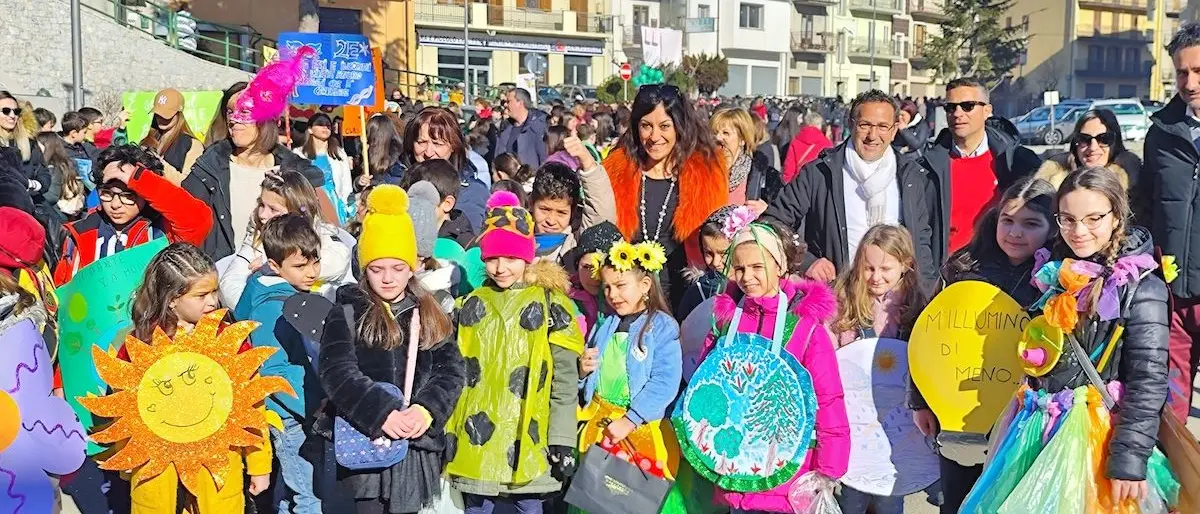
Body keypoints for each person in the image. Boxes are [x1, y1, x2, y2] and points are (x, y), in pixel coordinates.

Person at [965, 167, 1171, 509]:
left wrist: (1128, 462)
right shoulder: (1053, 271)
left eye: (1093, 219)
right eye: (1068, 219)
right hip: (1037, 430)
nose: (1079, 231)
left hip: (1099, 439)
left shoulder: (1141, 287)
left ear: (1117, 217)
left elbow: (1149, 380)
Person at [908, 177, 1057, 513]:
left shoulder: (1059, 279)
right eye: (1008, 221)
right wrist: (921, 400)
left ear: (1053, 227)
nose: (1015, 233)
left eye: (1031, 224)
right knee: (959, 502)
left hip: (1026, 417)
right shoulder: (964, 268)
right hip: (961, 414)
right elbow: (928, 336)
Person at [318, 184, 466, 513]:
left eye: (397, 268)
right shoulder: (346, 309)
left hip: (414, 446)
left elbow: (452, 370)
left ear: (412, 265)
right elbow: (337, 372)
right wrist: (381, 411)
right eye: (376, 268)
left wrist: (426, 409)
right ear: (364, 267)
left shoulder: (428, 310)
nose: (387, 278)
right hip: (366, 440)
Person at [690, 218, 850, 513]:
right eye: (739, 268)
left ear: (779, 266)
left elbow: (829, 399)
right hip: (735, 471)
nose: (747, 277)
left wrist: (830, 466)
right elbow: (706, 386)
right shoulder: (726, 324)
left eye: (757, 267)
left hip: (787, 475)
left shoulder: (804, 329)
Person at [445, 191, 584, 514]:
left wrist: (562, 437)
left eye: (510, 258)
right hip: (476, 436)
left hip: (529, 435)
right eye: (492, 258)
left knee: (528, 505)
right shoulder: (470, 306)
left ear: (527, 257)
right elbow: (454, 371)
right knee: (477, 506)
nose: (500, 267)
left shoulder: (552, 305)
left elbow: (564, 380)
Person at [122, 242, 271, 512]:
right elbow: (125, 407)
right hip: (158, 471)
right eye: (201, 295)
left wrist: (259, 465)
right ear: (172, 299)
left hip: (215, 469)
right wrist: (126, 456)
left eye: (214, 291)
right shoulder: (141, 343)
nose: (213, 301)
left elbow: (252, 406)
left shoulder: (229, 340)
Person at [763, 90, 940, 287]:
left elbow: (921, 242)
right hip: (840, 297)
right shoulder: (820, 172)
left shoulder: (911, 175)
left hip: (896, 301)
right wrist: (806, 261)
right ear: (851, 123)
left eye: (882, 126)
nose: (873, 136)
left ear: (894, 129)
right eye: (865, 125)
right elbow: (773, 222)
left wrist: (926, 292)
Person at [576, 239, 683, 507]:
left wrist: (631, 419)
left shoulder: (662, 328)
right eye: (608, 287)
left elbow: (664, 382)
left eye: (621, 286)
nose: (613, 294)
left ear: (645, 286)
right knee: (597, 501)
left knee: (630, 500)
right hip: (601, 427)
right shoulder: (606, 324)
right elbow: (590, 373)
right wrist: (582, 370)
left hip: (638, 428)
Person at [602, 84, 728, 310]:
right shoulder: (618, 170)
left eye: (664, 126)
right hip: (629, 298)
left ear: (680, 127)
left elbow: (717, 237)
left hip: (688, 296)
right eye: (646, 126)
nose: (654, 136)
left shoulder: (706, 173)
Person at [831, 225, 929, 513]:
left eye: (885, 268)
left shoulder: (917, 308)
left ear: (905, 265)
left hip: (897, 424)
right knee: (852, 496)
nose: (876, 277)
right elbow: (831, 357)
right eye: (868, 268)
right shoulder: (845, 305)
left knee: (890, 492)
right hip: (855, 422)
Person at [184, 79, 336, 262]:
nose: (234, 119)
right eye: (230, 112)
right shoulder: (208, 170)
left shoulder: (296, 172)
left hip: (283, 284)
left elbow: (332, 232)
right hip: (223, 280)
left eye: (245, 111)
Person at [232, 214, 323, 513]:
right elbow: (275, 371)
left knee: (291, 487)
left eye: (315, 262)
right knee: (309, 496)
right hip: (288, 413)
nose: (311, 272)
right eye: (300, 266)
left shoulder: (269, 291)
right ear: (274, 266)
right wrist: (311, 407)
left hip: (288, 408)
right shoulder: (276, 310)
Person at [915, 78, 1041, 263]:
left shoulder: (1017, 163)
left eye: (967, 106)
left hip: (999, 273)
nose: (958, 113)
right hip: (945, 274)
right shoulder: (926, 168)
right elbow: (920, 230)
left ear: (987, 111)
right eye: (950, 107)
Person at [1142, 21, 1200, 421]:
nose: (1189, 81)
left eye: (1199, 71)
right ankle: (1178, 482)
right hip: (1174, 292)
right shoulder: (1161, 133)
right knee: (1171, 409)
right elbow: (1147, 206)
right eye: (1182, 72)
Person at [53, 144, 213, 285]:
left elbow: (199, 220)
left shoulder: (160, 232)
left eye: (128, 196)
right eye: (107, 193)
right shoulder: (80, 232)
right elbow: (64, 287)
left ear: (144, 194)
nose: (115, 204)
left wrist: (139, 179)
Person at [217, 169, 352, 308]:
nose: (263, 214)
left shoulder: (321, 234)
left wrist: (277, 266)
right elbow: (232, 280)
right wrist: (253, 310)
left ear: (296, 212)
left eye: (273, 209)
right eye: (261, 205)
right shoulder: (259, 231)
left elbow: (338, 263)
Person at [401, 107, 489, 231]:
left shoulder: (472, 192)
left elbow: (467, 241)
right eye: (421, 142)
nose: (429, 152)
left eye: (438, 144)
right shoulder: (397, 183)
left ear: (454, 146)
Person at [531, 142, 617, 265]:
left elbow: (601, 214)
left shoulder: (575, 245)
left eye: (561, 213)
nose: (551, 220)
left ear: (573, 210)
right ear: (531, 204)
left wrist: (588, 164)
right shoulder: (516, 236)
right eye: (544, 209)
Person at [1036, 109, 1141, 195]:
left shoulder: (1133, 185)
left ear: (1116, 142)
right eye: (1084, 139)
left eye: (1104, 139)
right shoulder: (1051, 180)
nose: (1093, 147)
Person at [398, 159, 476, 249]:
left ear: (447, 204)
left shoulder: (465, 246)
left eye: (420, 202)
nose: (412, 208)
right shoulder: (399, 235)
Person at [710, 107, 774, 210]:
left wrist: (767, 211)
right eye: (714, 132)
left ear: (742, 140)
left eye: (725, 133)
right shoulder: (700, 171)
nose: (718, 138)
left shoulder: (762, 175)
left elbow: (782, 218)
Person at [297, 113, 353, 224]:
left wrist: (346, 204)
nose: (325, 127)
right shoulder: (299, 154)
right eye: (320, 124)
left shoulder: (339, 153)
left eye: (328, 124)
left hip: (333, 201)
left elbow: (346, 181)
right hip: (309, 202)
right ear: (310, 129)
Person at [569, 221, 623, 337]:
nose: (594, 276)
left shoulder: (625, 302)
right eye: (587, 267)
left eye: (601, 267)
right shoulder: (565, 300)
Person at [140, 88, 203, 184]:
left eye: (166, 114)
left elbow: (189, 184)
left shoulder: (192, 145)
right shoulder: (148, 140)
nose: (161, 118)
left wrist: (158, 163)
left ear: (179, 114)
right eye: (158, 114)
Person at [0, 92, 51, 208]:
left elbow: (43, 172)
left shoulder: (29, 141)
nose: (12, 116)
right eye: (6, 111)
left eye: (16, 111)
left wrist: (35, 185)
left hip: (33, 202)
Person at [495, 88, 549, 167]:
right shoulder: (505, 129)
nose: (505, 105)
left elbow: (544, 159)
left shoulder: (539, 127)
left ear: (520, 103)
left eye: (508, 101)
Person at [782, 110, 833, 184]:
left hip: (798, 181)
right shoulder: (826, 143)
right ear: (819, 125)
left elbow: (789, 164)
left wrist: (788, 180)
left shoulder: (796, 140)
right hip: (817, 182)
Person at [364, 113, 406, 187]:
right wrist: (358, 182)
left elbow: (395, 182)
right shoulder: (366, 154)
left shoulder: (399, 159)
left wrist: (372, 184)